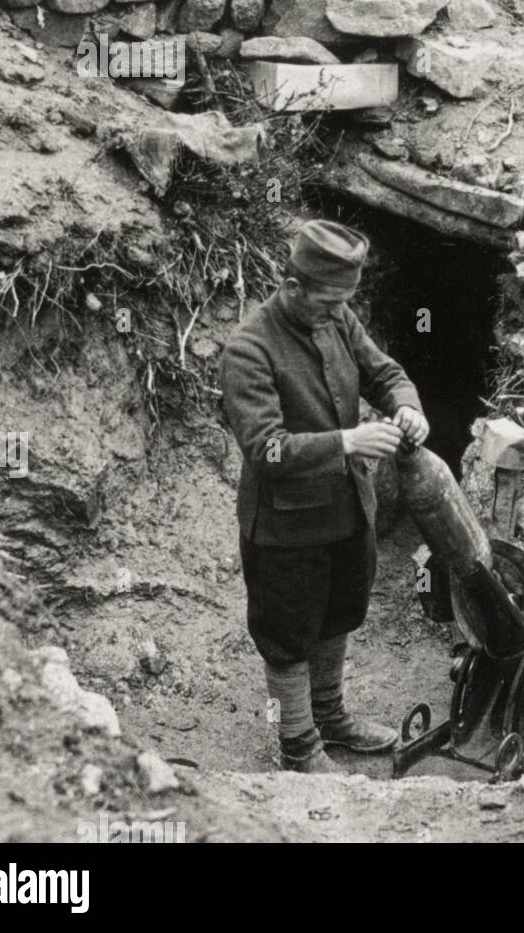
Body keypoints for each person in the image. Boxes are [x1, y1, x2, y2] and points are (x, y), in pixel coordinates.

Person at [220, 219, 437, 773]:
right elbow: (266, 451)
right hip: (284, 529)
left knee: (338, 612)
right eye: (327, 301)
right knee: (288, 633)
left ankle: (331, 716)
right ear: (294, 289)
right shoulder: (249, 349)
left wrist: (406, 405)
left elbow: (385, 373)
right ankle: (298, 744)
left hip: (345, 512)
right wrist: (347, 441)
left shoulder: (336, 317)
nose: (338, 311)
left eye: (345, 300)